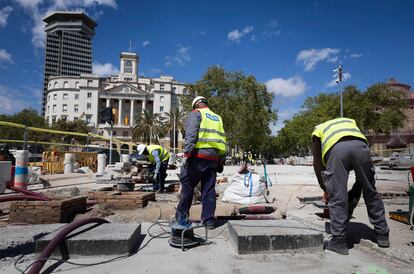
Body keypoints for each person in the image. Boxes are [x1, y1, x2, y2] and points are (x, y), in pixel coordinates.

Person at [312, 117, 390, 255]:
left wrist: (325, 188)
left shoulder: (318, 131)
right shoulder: (349, 121)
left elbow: (317, 163)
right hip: (362, 148)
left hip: (337, 152)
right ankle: (382, 234)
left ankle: (339, 242)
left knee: (337, 197)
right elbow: (361, 179)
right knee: (370, 191)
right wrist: (358, 188)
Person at [174, 96, 227, 229]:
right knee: (208, 189)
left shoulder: (196, 113)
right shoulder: (217, 117)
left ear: (196, 105)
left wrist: (187, 154)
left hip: (197, 156)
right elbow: (222, 140)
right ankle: (208, 221)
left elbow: (191, 134)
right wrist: (221, 160)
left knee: (187, 185)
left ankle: (181, 218)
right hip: (213, 159)